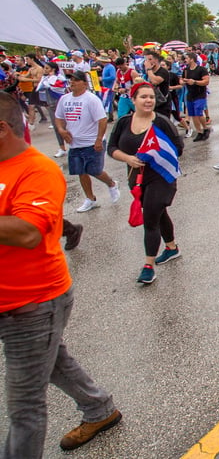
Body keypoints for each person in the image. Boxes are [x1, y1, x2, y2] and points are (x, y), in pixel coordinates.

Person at [0, 92, 122, 456]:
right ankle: (100, 409)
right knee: (51, 361)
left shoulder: (36, 169)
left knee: (24, 407)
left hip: (31, 303)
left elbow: (26, 232)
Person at [108, 82, 184, 284]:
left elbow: (178, 148)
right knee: (159, 214)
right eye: (143, 97)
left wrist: (155, 155)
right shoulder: (123, 122)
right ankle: (171, 247)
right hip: (136, 178)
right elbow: (112, 148)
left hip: (161, 177)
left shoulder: (161, 123)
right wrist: (128, 158)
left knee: (150, 218)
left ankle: (148, 265)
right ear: (133, 100)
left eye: (151, 97)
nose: (148, 100)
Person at [55, 70, 121, 213]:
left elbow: (102, 120)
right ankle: (90, 199)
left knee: (94, 170)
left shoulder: (91, 99)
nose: (72, 82)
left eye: (76, 80)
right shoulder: (64, 99)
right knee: (81, 172)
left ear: (84, 83)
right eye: (71, 79)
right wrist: (61, 130)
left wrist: (98, 139)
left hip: (92, 142)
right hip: (75, 143)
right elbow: (59, 117)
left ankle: (111, 183)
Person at [181, 52, 211, 141]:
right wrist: (182, 82)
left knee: (198, 112)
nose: (185, 60)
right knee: (193, 114)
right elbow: (182, 79)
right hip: (190, 94)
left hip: (200, 94)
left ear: (192, 59)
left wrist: (194, 82)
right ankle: (199, 132)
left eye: (186, 58)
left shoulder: (201, 69)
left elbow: (206, 81)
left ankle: (205, 128)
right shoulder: (186, 70)